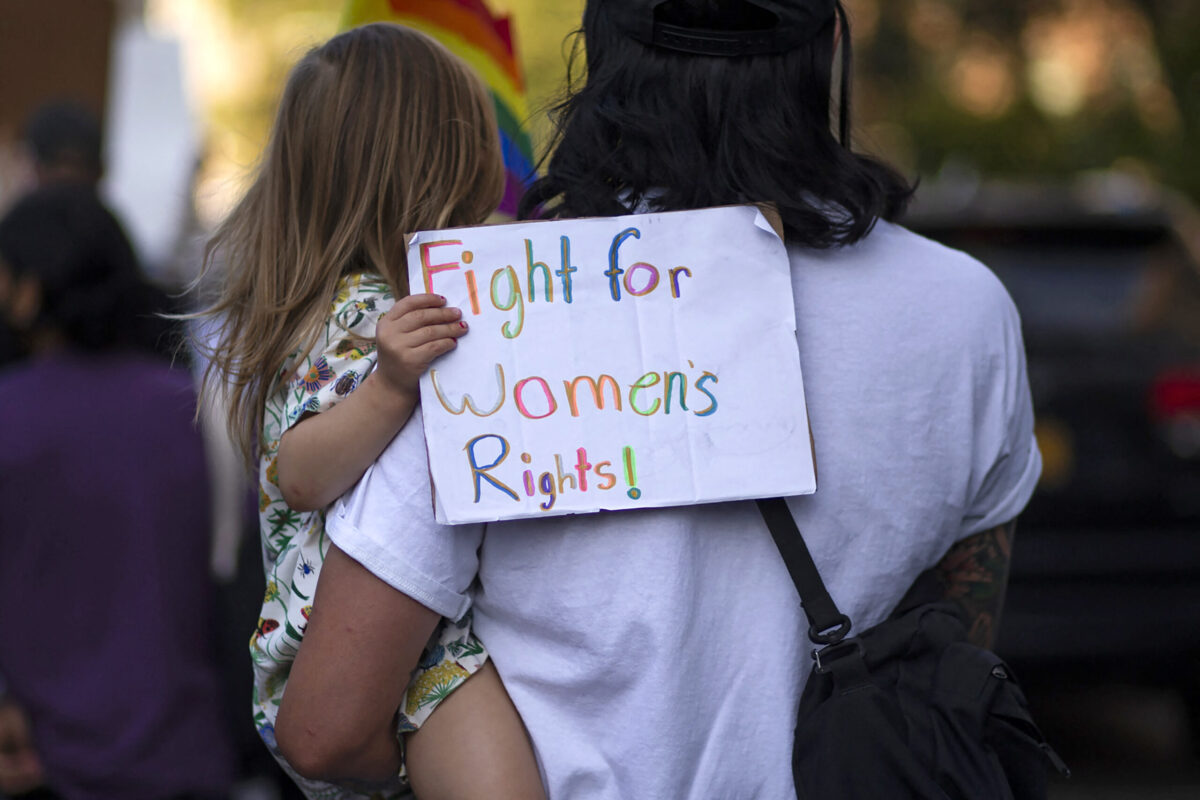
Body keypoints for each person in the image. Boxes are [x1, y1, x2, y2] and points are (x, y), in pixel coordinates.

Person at [276, 2, 1042, 798]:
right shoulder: (967, 310)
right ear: (825, 53)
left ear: (600, 56)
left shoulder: (492, 310)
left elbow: (324, 730)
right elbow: (954, 642)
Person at [190, 23, 545, 800]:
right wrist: (387, 390)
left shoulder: (375, 299)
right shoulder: (362, 315)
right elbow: (299, 472)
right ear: (439, 161)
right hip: (386, 659)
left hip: (406, 641)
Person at [0, 184, 235, 799]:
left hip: (42, 761)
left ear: (28, 290)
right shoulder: (191, 408)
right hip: (187, 756)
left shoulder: (9, 413)